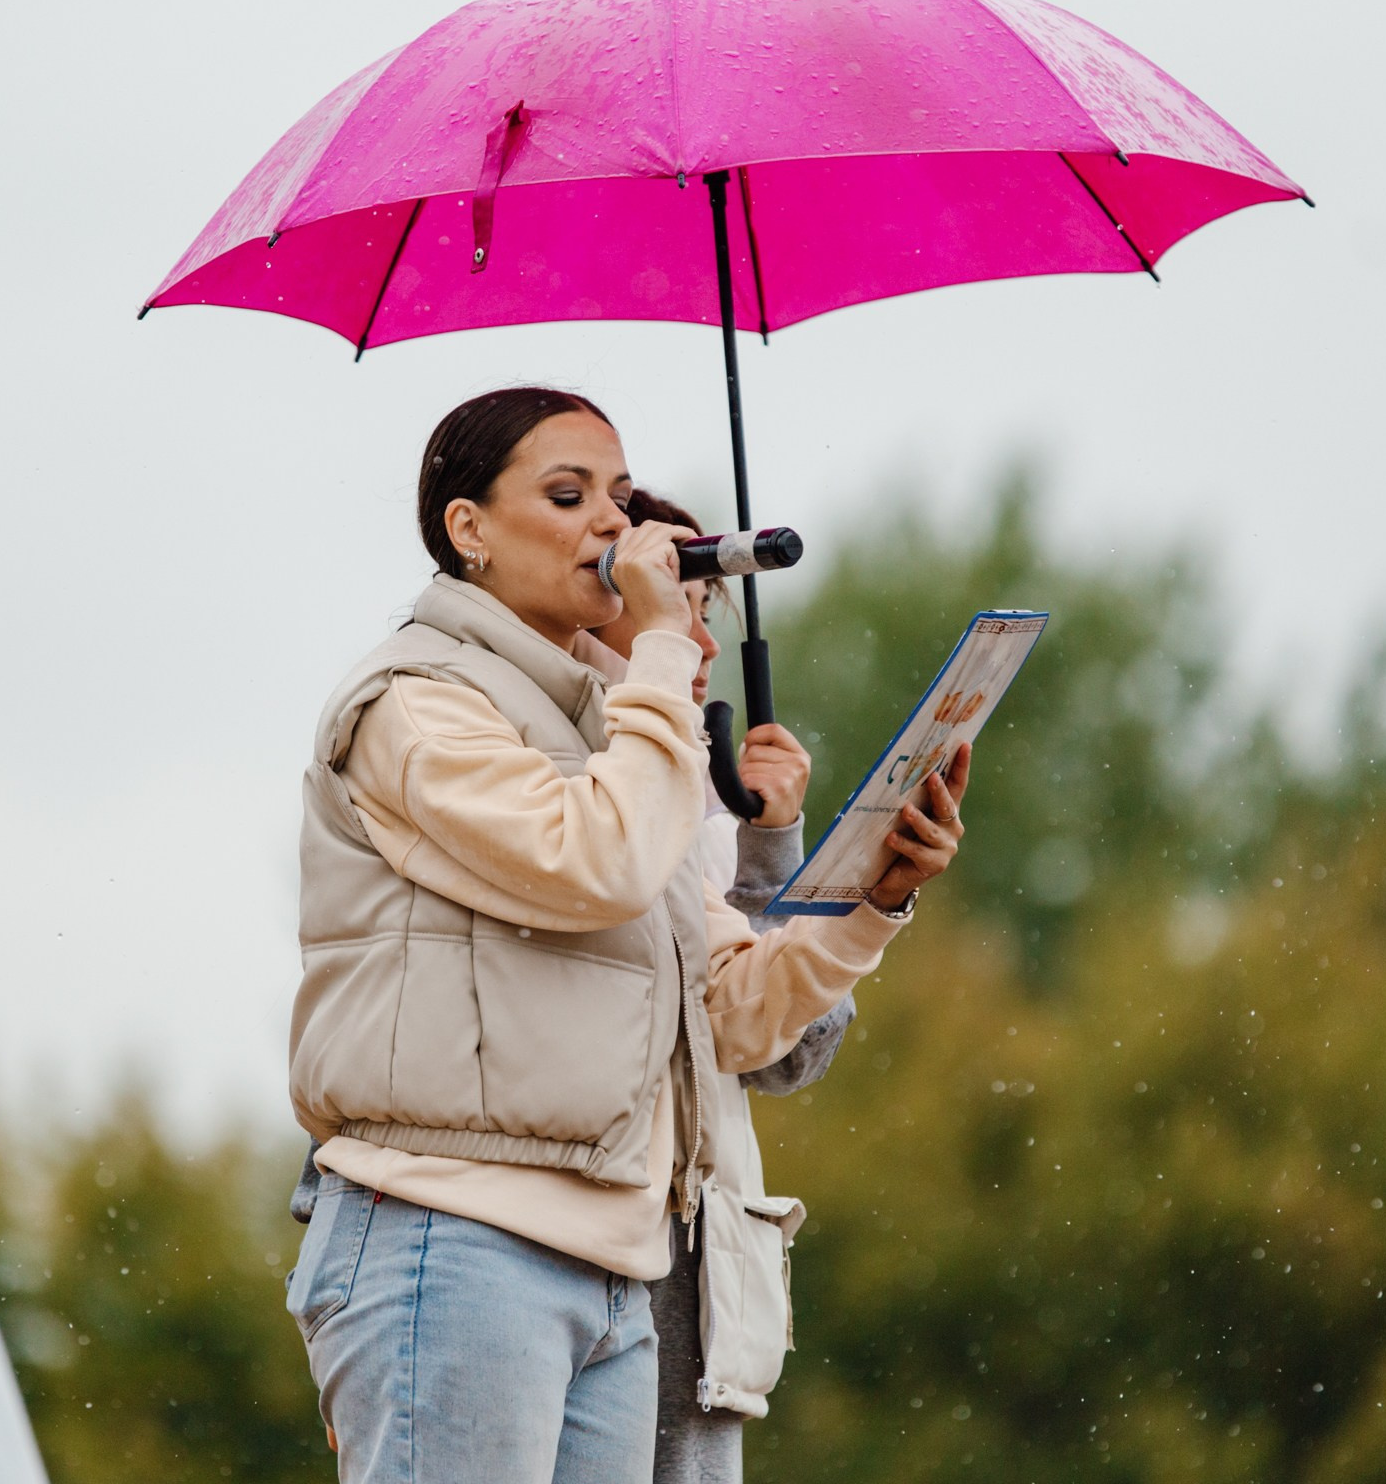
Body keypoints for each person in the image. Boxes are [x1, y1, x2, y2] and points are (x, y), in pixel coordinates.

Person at [282, 387, 971, 1484]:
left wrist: (868, 899)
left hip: (612, 1259)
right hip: (451, 1233)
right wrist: (656, 651)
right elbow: (594, 863)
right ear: (467, 530)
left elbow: (735, 1017)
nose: (613, 525)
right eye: (568, 496)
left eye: (616, 494)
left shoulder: (608, 739)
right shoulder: (416, 701)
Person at [585, 489, 851, 1482]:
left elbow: (794, 1047)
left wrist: (772, 841)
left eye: (709, 613)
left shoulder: (708, 799)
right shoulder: (547, 763)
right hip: (597, 1239)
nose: (701, 638)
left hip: (694, 1266)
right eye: (682, 603)